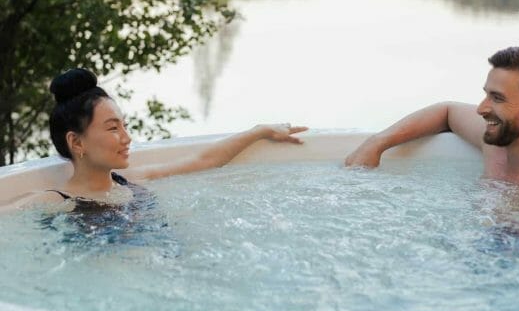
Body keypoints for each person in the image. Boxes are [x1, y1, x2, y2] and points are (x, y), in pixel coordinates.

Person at [2, 68, 307, 211]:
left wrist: (259, 131)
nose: (126, 137)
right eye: (112, 128)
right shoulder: (53, 201)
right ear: (76, 142)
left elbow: (204, 161)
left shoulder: (129, 179)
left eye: (124, 125)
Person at [345, 46, 519, 193]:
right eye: (486, 94)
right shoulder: (497, 142)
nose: (481, 108)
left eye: (497, 98)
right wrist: (376, 143)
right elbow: (447, 111)